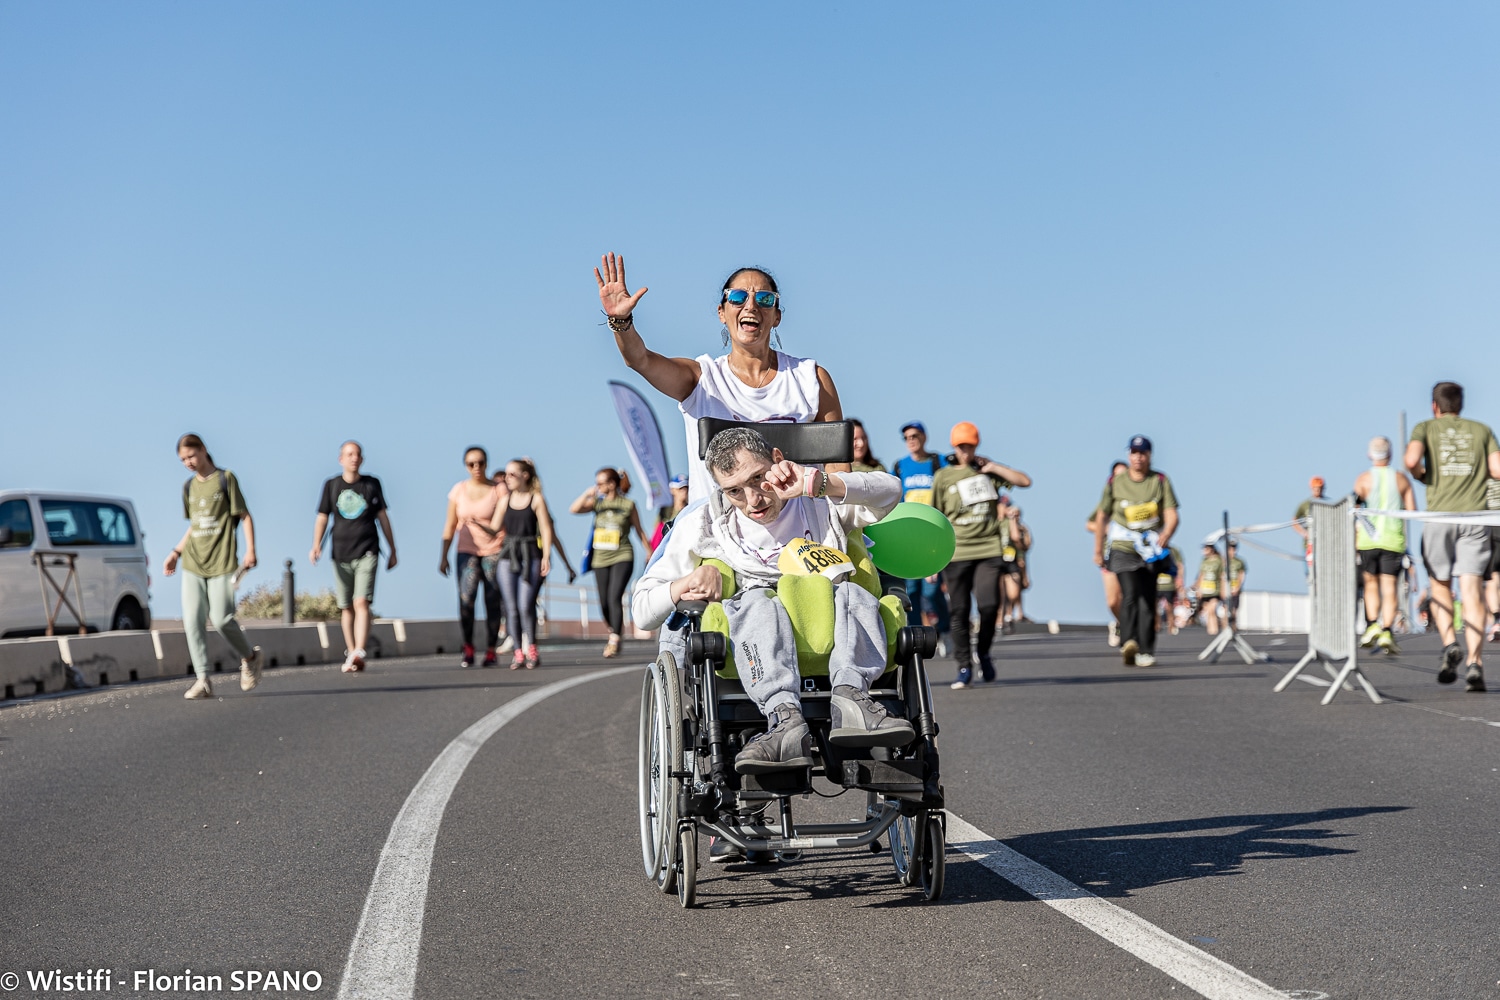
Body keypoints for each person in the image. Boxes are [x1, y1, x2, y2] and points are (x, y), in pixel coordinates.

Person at [632, 427, 912, 774]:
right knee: (757, 602)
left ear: (778, 460)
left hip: (836, 627)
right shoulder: (704, 522)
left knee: (853, 592)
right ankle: (784, 720)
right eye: (734, 491)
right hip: (758, 640)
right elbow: (643, 611)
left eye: (759, 479)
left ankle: (853, 700)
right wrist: (684, 584)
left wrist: (820, 483)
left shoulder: (820, 502)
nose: (753, 500)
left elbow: (892, 491)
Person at [596, 253, 845, 509]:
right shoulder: (701, 379)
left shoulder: (811, 378)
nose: (750, 306)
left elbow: (840, 475)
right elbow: (641, 360)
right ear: (721, 313)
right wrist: (621, 322)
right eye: (737, 297)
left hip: (801, 543)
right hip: (718, 544)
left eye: (764, 299)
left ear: (776, 316)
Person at [1404, 381, 1500, 691]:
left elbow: (1410, 461)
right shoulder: (1481, 430)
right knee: (1471, 589)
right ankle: (1475, 662)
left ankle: (1449, 644)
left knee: (1440, 584)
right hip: (1475, 517)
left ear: (1435, 406)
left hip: (1440, 517)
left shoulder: (1425, 428)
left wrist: (1424, 476)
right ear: (1461, 405)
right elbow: (1498, 469)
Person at [162, 433, 262, 699]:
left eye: (191, 456)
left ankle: (250, 658)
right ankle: (202, 679)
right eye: (183, 459)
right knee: (193, 621)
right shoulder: (188, 487)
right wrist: (175, 552)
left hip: (222, 561)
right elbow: (195, 526)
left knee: (221, 618)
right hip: (193, 562)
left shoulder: (225, 479)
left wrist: (251, 550)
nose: (188, 462)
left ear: (204, 450)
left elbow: (245, 515)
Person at [933, 421, 1032, 687]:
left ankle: (984, 652)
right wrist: (932, 559)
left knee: (989, 606)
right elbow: (936, 517)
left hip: (988, 549)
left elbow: (1024, 481)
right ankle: (964, 666)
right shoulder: (943, 477)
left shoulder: (986, 471)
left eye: (971, 446)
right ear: (954, 446)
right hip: (956, 552)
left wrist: (993, 467)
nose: (966, 451)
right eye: (961, 446)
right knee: (959, 610)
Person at [311, 441, 397, 673]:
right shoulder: (332, 485)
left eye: (357, 454)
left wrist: (393, 549)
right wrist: (315, 545)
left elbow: (383, 517)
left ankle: (360, 649)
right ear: (341, 459)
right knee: (346, 605)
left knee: (362, 601)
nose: (354, 458)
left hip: (367, 549)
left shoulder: (371, 484)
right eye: (349, 454)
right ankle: (352, 652)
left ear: (362, 459)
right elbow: (322, 516)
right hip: (340, 552)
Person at [1094, 436, 1179, 667]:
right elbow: (1102, 516)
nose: (1138, 457)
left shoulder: (1160, 481)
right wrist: (1098, 549)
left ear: (1149, 455)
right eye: (1133, 452)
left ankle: (1146, 649)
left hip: (1151, 549)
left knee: (1147, 598)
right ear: (1128, 455)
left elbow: (1171, 513)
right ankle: (1128, 641)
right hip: (1123, 547)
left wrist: (1167, 533)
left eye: (1142, 453)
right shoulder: (1116, 482)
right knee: (1130, 593)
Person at [440, 446, 506, 668]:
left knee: (492, 600)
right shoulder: (458, 490)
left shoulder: (499, 490)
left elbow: (505, 522)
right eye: (471, 464)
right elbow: (450, 525)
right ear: (466, 466)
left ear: (486, 464)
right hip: (466, 551)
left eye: (480, 463)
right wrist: (443, 555)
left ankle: (490, 649)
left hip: (494, 550)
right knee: (466, 600)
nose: (476, 467)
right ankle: (468, 646)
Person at [571, 467, 648, 658]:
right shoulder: (598, 504)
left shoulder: (628, 504)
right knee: (604, 601)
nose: (597, 486)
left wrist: (649, 551)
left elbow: (639, 530)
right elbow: (574, 509)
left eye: (600, 483)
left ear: (611, 484)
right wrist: (587, 494)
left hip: (622, 555)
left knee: (614, 596)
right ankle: (614, 629)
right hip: (600, 558)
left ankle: (615, 638)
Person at [490, 458, 557, 669]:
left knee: (525, 604)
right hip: (508, 555)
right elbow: (494, 527)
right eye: (506, 475)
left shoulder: (536, 499)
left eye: (512, 474)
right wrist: (473, 523)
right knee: (510, 607)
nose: (506, 478)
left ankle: (532, 648)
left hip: (530, 554)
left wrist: (546, 556)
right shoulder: (504, 500)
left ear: (524, 476)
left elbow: (546, 529)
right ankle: (518, 651)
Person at [891, 421, 951, 646]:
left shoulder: (938, 462)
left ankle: (944, 629)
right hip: (910, 536)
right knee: (912, 590)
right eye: (906, 437)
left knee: (933, 589)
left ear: (924, 437)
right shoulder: (900, 466)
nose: (911, 440)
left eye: (915, 435)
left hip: (935, 533)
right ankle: (917, 636)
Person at [1353, 436, 1415, 654]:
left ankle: (1372, 625)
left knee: (1370, 584)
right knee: (1389, 588)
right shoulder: (1401, 479)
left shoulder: (1363, 479)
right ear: (1390, 454)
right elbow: (1412, 510)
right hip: (1393, 539)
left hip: (1369, 540)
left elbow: (1355, 510)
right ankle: (1387, 630)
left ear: (1370, 454)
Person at [1091, 462, 1130, 646]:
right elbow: (1091, 523)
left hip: (1133, 553)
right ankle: (1122, 623)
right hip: (1110, 553)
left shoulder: (1136, 496)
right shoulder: (1108, 499)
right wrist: (1107, 530)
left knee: (1129, 595)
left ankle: (1131, 629)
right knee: (1113, 600)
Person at [997, 496, 1031, 633]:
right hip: (996, 559)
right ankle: (1000, 620)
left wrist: (1012, 521)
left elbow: (1018, 540)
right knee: (999, 593)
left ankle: (1008, 614)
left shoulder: (1017, 524)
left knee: (1013, 593)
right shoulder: (994, 522)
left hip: (1011, 561)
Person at [649, 474, 690, 554]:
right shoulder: (664, 511)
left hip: (681, 548)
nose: (684, 491)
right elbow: (656, 530)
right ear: (672, 490)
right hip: (665, 550)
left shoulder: (690, 508)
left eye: (686, 487)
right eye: (680, 488)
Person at [1195, 542, 1224, 634]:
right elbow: (1201, 575)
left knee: (1212, 610)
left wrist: (1223, 590)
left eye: (1206, 549)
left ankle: (1214, 631)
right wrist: (1198, 589)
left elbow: (1222, 576)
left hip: (1215, 590)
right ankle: (1210, 631)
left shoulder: (1219, 561)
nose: (1204, 551)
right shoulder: (1204, 561)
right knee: (1208, 611)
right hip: (1205, 590)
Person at [1156, 544, 1185, 635]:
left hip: (1169, 584)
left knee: (1169, 607)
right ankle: (1157, 626)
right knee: (1155, 607)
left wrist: (1180, 580)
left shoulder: (1173, 550)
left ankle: (1172, 626)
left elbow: (1180, 565)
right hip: (1156, 584)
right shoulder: (1153, 548)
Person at [1293, 477, 1326, 551]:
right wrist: (1303, 532)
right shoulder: (1305, 504)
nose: (1317, 490)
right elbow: (1294, 520)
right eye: (1315, 488)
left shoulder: (1329, 503)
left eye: (1319, 488)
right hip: (1309, 544)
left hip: (1325, 542)